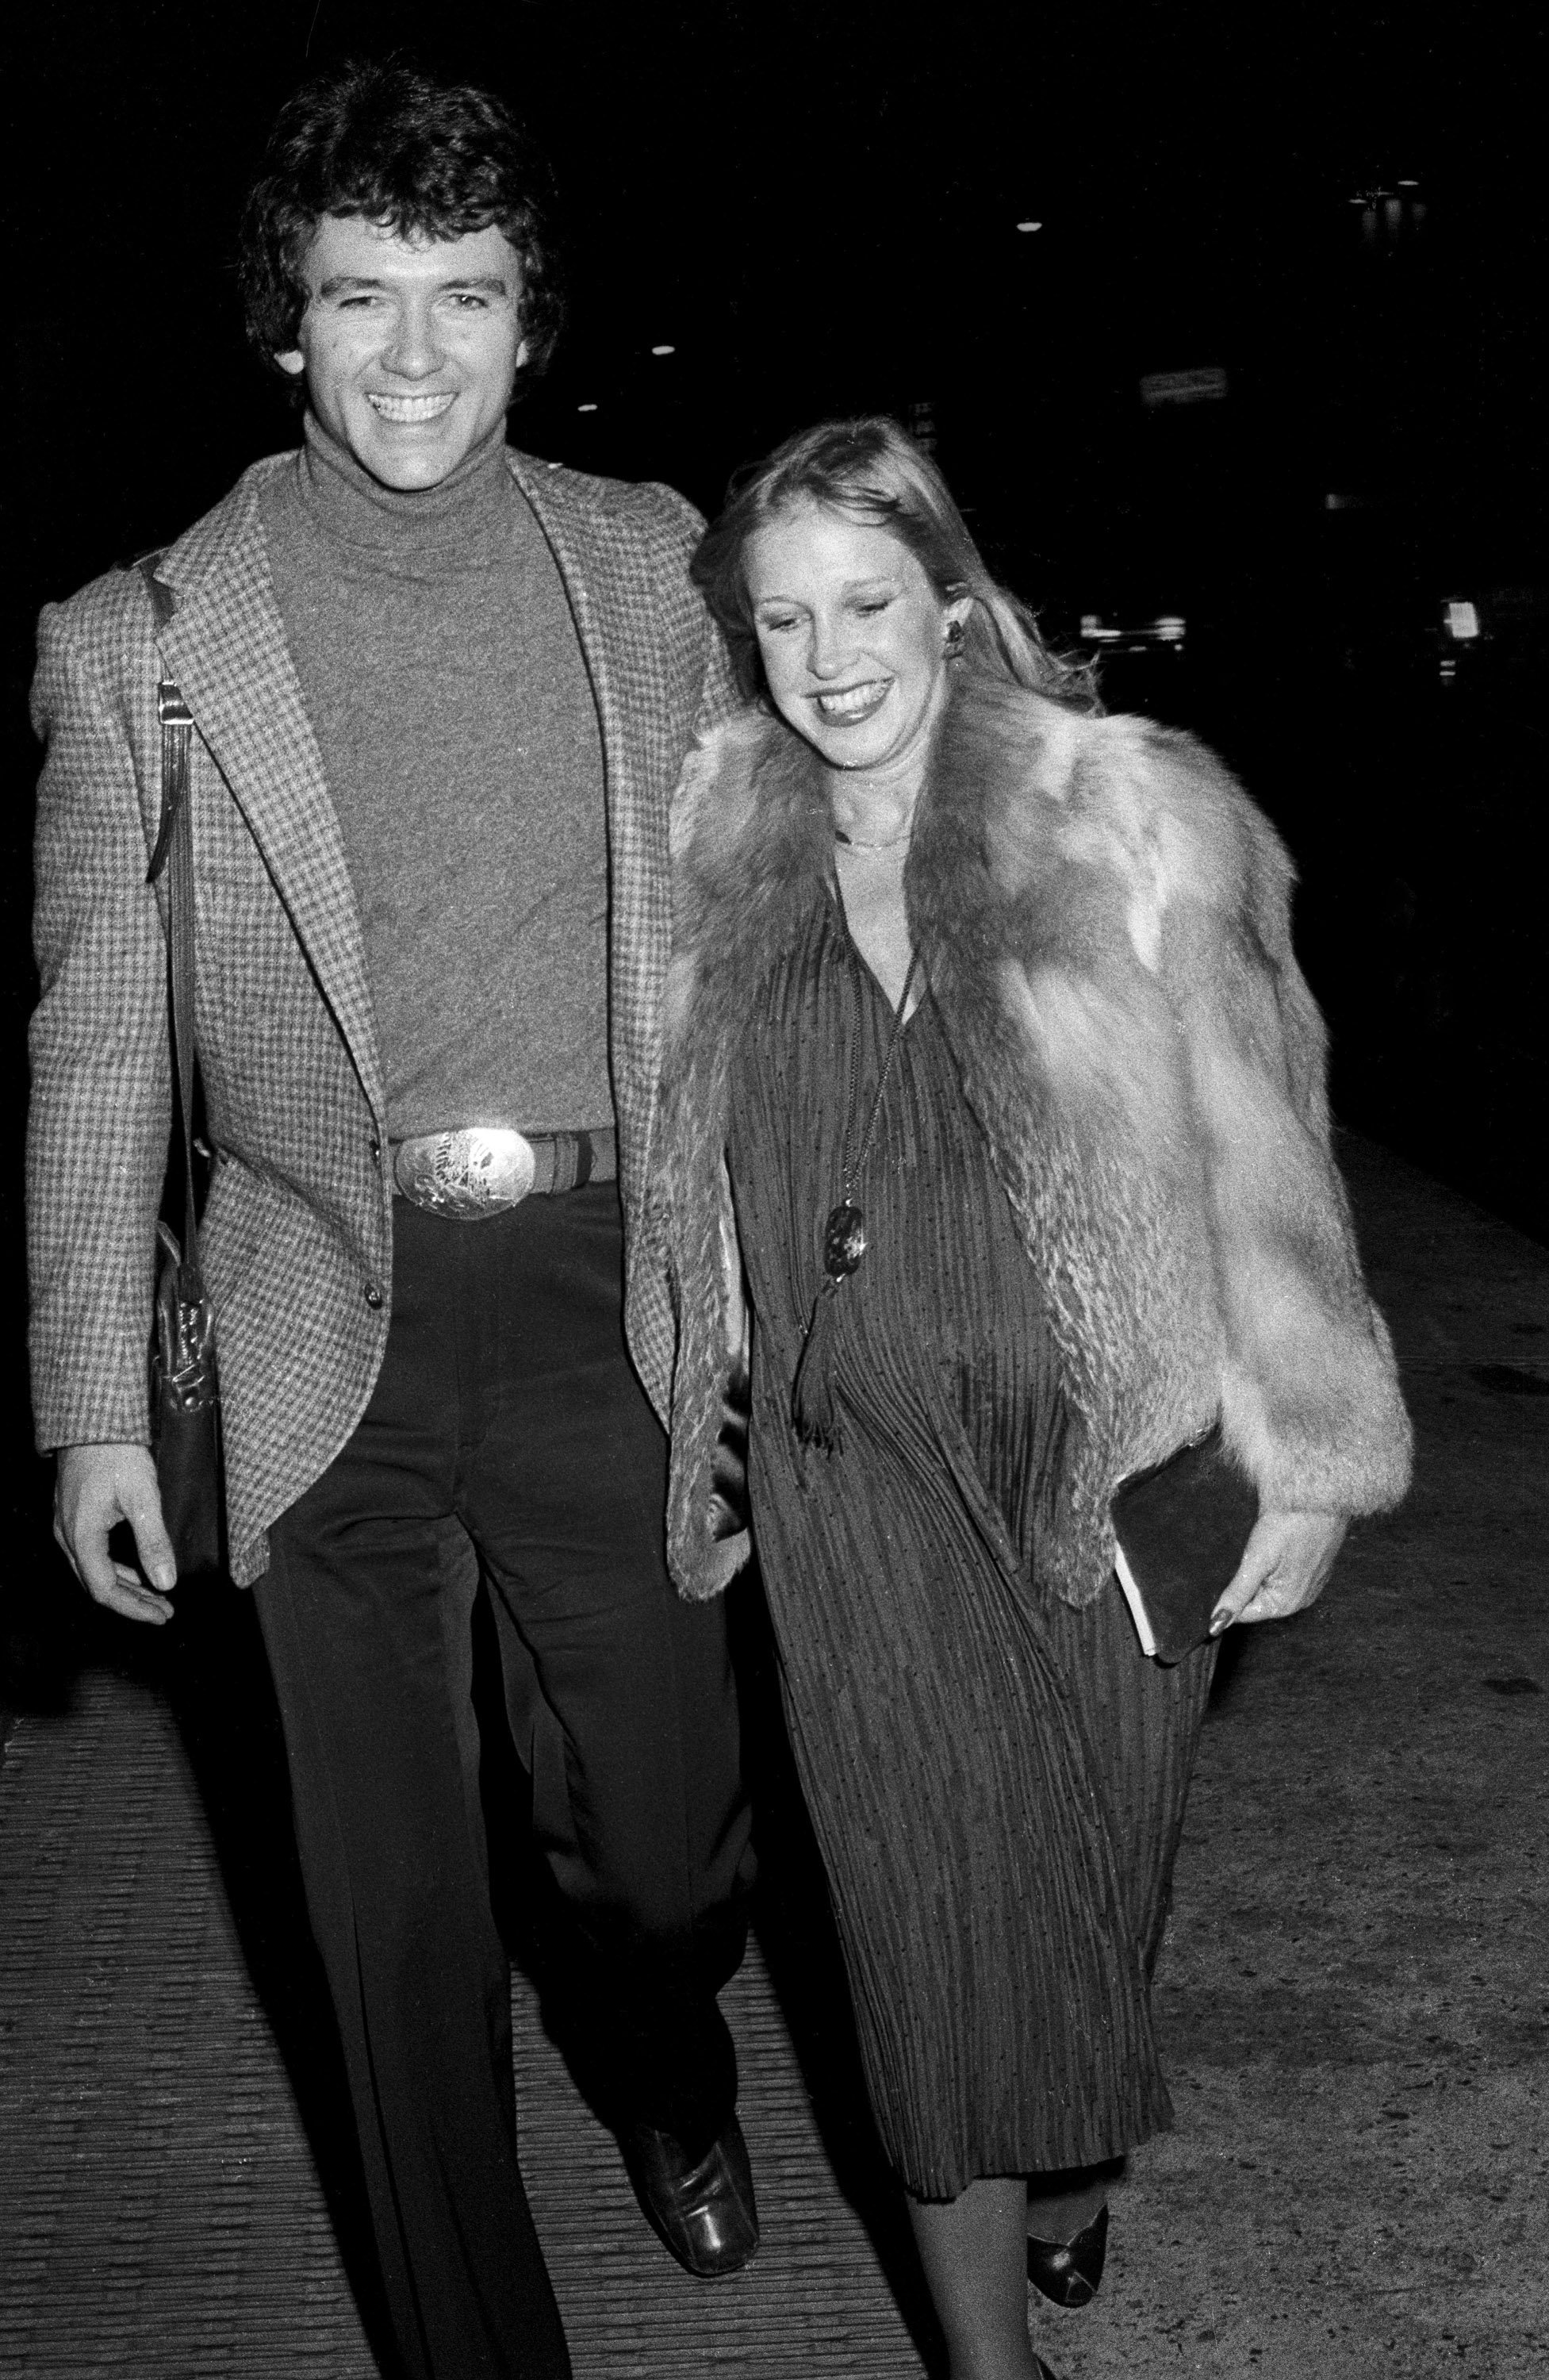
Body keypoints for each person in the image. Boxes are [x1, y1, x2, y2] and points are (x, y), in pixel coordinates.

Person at [27, 60, 757, 2380]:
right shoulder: (140, 638)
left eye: (467, 297)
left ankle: (659, 2054)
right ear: (288, 322)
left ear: (533, 319)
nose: (416, 355)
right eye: (364, 299)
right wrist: (86, 1409)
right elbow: (95, 1041)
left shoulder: (656, 567)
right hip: (318, 1309)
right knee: (389, 1927)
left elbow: (784, 926)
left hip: (612, 1294)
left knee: (657, 1846)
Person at [651, 418, 1413, 2380]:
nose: (830, 660)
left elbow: (1271, 1155)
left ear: (953, 598)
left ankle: (1073, 2164)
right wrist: (705, 1405)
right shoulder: (717, 845)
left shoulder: (1135, 815)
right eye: (784, 618)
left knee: (1089, 1905)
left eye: (867, 603)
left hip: (1110, 1476)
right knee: (916, 1943)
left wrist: (1308, 1461)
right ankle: (985, 2363)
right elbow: (685, 1172)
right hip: (853, 1490)